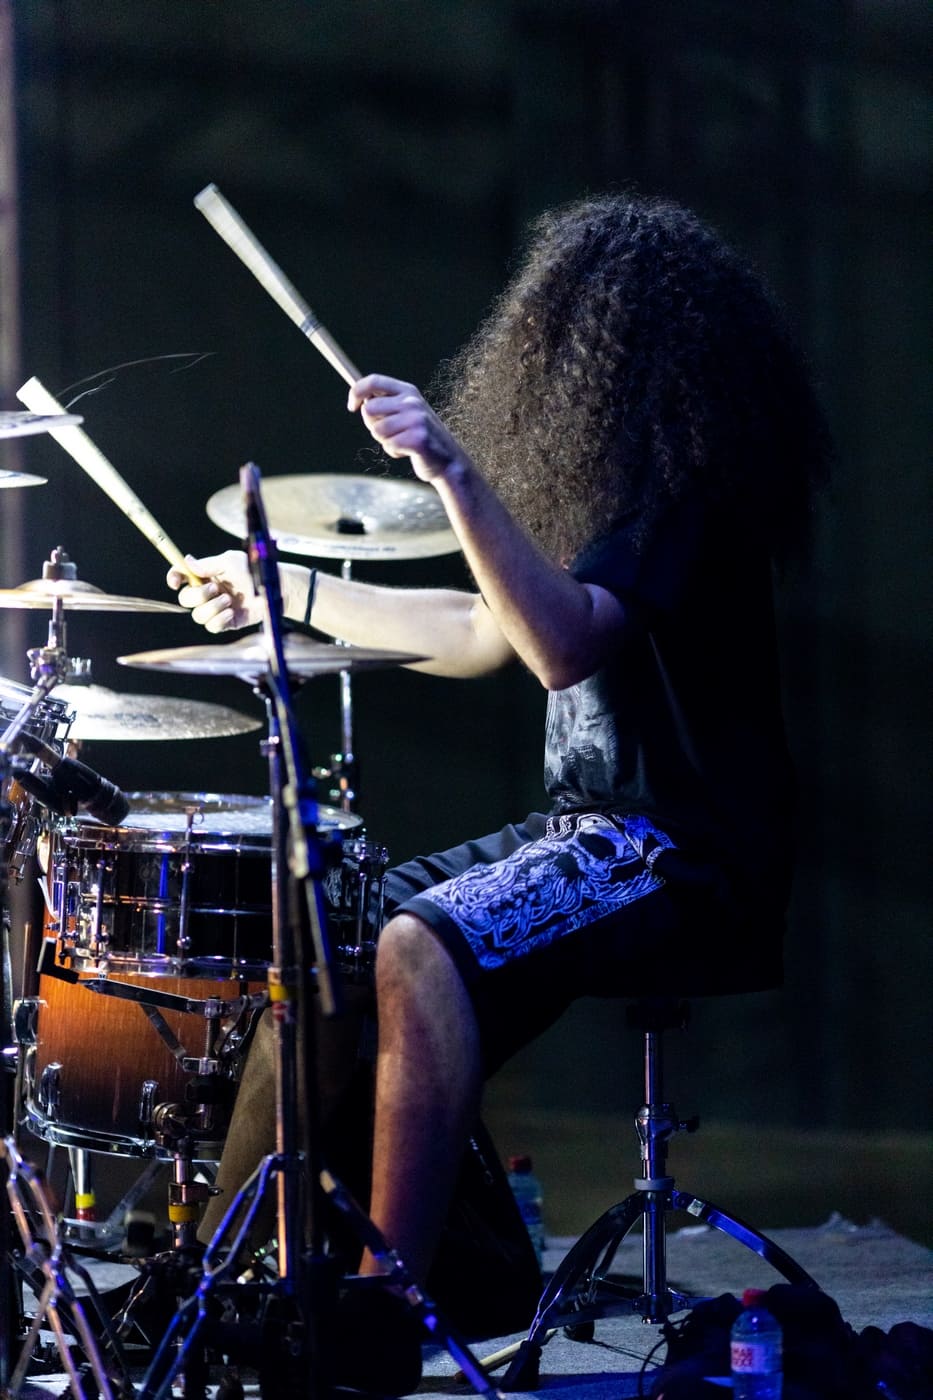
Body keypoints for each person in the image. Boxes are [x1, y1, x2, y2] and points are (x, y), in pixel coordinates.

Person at [168, 192, 830, 1392]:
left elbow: (560, 644)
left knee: (418, 941)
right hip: (590, 832)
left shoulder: (687, 486)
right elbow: (481, 627)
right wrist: (281, 589)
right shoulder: (604, 496)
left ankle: (384, 1307)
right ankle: (224, 1274)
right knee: (333, 928)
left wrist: (452, 469)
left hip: (682, 842)